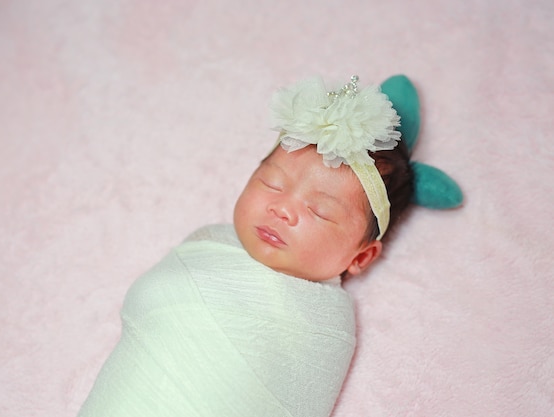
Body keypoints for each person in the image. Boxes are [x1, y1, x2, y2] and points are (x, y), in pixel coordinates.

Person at [77, 74, 462, 417]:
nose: (282, 208)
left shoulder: (320, 325)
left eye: (319, 211)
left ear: (360, 257)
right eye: (272, 184)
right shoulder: (208, 244)